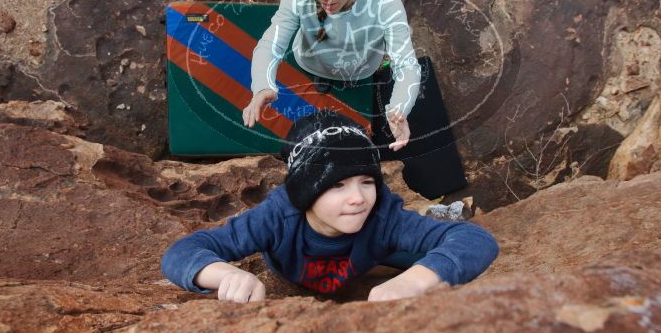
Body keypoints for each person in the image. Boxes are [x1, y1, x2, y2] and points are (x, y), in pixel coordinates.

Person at [162, 110, 499, 303]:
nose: (357, 197)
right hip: (308, 265)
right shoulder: (279, 216)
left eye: (366, 182)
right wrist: (225, 275)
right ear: (305, 192)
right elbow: (182, 252)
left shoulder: (381, 214)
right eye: (336, 185)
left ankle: (433, 216)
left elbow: (476, 241)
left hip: (372, 255)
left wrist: (414, 282)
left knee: (421, 249)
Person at [241, 0, 421, 152]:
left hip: (361, 66)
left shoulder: (385, 1)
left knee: (354, 81)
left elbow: (406, 63)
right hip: (311, 60)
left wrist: (399, 107)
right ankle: (323, 79)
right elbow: (273, 41)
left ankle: (347, 81)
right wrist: (262, 84)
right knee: (319, 74)